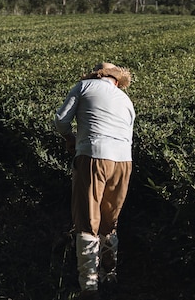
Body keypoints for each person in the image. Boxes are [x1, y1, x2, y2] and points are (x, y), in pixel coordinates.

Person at [55, 63, 135, 299]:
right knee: (110, 221)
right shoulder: (126, 101)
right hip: (123, 161)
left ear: (96, 75)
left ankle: (89, 288)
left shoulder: (84, 86)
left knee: (87, 219)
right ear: (117, 81)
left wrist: (70, 138)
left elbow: (60, 120)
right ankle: (109, 274)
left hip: (93, 154)